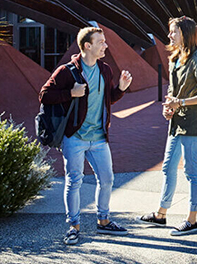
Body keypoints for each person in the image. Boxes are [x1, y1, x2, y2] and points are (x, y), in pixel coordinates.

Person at [40, 26, 133, 246]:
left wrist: (120, 88)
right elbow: (44, 95)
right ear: (87, 46)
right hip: (75, 137)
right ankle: (73, 226)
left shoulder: (105, 69)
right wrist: (69, 93)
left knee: (107, 179)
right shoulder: (67, 71)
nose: (105, 45)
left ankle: (103, 220)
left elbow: (107, 99)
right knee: (74, 181)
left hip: (99, 138)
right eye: (101, 42)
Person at [139, 16, 197, 236]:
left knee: (191, 171)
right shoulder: (175, 58)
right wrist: (168, 106)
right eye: (170, 31)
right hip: (176, 122)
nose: (170, 35)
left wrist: (180, 102)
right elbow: (173, 91)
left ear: (185, 33)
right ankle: (161, 214)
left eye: (173, 31)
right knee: (168, 168)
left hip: (193, 123)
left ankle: (192, 220)